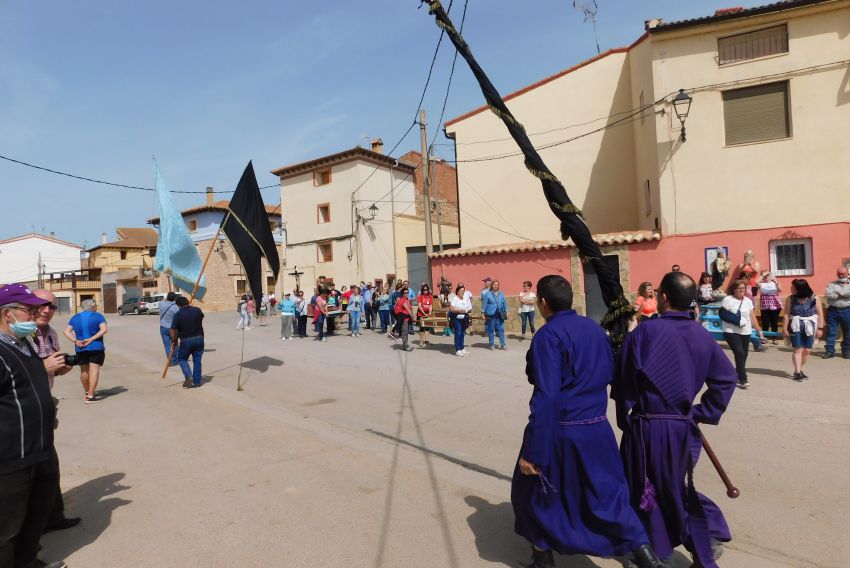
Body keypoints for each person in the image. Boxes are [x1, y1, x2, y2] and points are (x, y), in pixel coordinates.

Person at [512, 275, 664, 568]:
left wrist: (534, 450)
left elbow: (546, 395)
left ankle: (542, 558)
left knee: (531, 491)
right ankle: (646, 555)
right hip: (597, 428)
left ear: (542, 303)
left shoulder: (548, 336)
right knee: (608, 494)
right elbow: (610, 372)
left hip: (562, 431)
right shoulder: (595, 329)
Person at [612, 271, 738, 568]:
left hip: (648, 426)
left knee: (653, 488)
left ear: (663, 297)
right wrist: (700, 412)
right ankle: (672, 545)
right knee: (669, 485)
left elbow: (623, 383)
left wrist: (625, 419)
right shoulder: (701, 335)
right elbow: (726, 378)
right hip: (682, 426)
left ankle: (701, 538)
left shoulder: (644, 333)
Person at [0, 284, 67, 568]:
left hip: (39, 448)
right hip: (12, 457)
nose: (37, 313)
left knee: (35, 514)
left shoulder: (23, 343)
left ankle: (26, 562)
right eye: (28, 309)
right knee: (7, 528)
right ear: (7, 314)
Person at [32, 290, 81, 536]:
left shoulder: (50, 334)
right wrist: (44, 366)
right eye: (42, 305)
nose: (47, 310)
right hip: (22, 410)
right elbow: (16, 374)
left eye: (51, 306)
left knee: (49, 464)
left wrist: (64, 367)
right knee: (28, 470)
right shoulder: (17, 336)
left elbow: (55, 369)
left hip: (45, 404)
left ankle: (53, 516)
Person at [720, 279, 764, 389]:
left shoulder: (748, 301)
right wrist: (737, 321)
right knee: (739, 353)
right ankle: (743, 378)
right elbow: (723, 314)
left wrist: (759, 331)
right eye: (739, 288)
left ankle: (737, 374)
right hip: (730, 331)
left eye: (743, 289)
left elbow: (752, 317)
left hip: (746, 331)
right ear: (734, 289)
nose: (741, 290)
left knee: (744, 354)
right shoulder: (727, 300)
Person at [64, 299, 108, 403]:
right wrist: (91, 339)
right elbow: (104, 329)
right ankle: (90, 396)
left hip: (80, 348)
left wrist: (75, 341)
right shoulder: (98, 316)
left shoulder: (75, 317)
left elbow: (66, 331)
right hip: (96, 347)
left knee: (84, 370)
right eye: (95, 305)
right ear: (92, 306)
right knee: (94, 370)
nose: (96, 307)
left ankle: (87, 391)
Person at [784, 279, 823, 382]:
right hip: (795, 326)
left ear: (800, 289)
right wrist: (784, 328)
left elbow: (820, 314)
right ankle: (797, 372)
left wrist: (820, 328)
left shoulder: (814, 298)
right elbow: (787, 314)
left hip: (810, 326)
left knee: (807, 350)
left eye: (793, 287)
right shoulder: (791, 299)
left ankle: (799, 369)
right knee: (798, 349)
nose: (791, 289)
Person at [170, 296, 204, 388]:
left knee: (181, 358)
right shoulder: (197, 310)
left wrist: (173, 341)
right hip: (199, 338)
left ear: (179, 305)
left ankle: (189, 376)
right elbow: (201, 317)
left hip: (186, 340)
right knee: (197, 361)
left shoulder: (178, 314)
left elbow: (173, 330)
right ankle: (197, 382)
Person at [824, 265, 850, 359]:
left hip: (847, 310)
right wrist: (843, 295)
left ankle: (846, 351)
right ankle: (830, 351)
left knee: (848, 332)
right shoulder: (831, 284)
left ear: (847, 274)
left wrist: (837, 294)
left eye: (843, 274)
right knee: (831, 332)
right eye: (839, 274)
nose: (841, 275)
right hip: (833, 310)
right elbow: (827, 294)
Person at [758, 272, 783, 344]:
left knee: (774, 322)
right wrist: (762, 276)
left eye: (767, 275)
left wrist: (776, 282)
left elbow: (780, 290)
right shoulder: (761, 284)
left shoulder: (775, 283)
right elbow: (756, 282)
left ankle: (774, 338)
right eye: (765, 276)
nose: (766, 277)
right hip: (765, 305)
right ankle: (764, 338)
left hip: (775, 305)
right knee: (765, 322)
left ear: (770, 276)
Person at [483, 280, 508, 350]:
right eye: (494, 284)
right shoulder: (487, 294)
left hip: (500, 313)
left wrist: (506, 311)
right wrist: (482, 313)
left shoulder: (501, 294)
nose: (496, 285)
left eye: (497, 284)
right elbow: (484, 304)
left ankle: (503, 345)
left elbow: (505, 303)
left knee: (501, 329)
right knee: (491, 330)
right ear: (492, 285)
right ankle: (491, 344)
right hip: (491, 314)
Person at [449, 284, 472, 356]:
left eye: (463, 291)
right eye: (461, 290)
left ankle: (462, 348)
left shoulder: (465, 299)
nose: (462, 292)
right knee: (458, 334)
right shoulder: (455, 298)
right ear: (457, 291)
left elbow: (468, 308)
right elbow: (451, 308)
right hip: (457, 319)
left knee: (462, 333)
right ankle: (457, 350)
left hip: (464, 319)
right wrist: (459, 310)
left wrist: (468, 312)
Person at [157, 292, 179, 366]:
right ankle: (176, 359)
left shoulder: (161, 304)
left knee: (167, 346)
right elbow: (178, 315)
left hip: (163, 327)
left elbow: (163, 300)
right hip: (172, 328)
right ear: (174, 298)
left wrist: (167, 299)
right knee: (174, 344)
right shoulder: (175, 307)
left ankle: (171, 361)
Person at [392, 286, 414, 351]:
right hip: (403, 319)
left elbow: (410, 308)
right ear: (402, 294)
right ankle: (405, 346)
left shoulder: (407, 299)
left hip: (406, 318)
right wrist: (412, 315)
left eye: (407, 292)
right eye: (405, 293)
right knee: (404, 332)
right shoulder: (403, 300)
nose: (406, 294)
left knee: (405, 332)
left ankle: (406, 345)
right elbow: (407, 308)